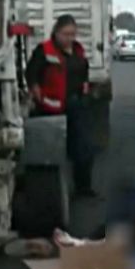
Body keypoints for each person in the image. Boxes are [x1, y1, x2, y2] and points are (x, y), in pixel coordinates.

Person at [25, 15, 97, 198]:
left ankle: (83, 187)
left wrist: (85, 89)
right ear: (56, 33)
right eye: (66, 34)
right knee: (48, 150)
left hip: (75, 104)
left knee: (83, 147)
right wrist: (36, 91)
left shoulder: (78, 51)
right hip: (48, 107)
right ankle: (46, 192)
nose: (69, 38)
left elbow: (83, 73)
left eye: (72, 34)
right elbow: (32, 73)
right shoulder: (44, 50)